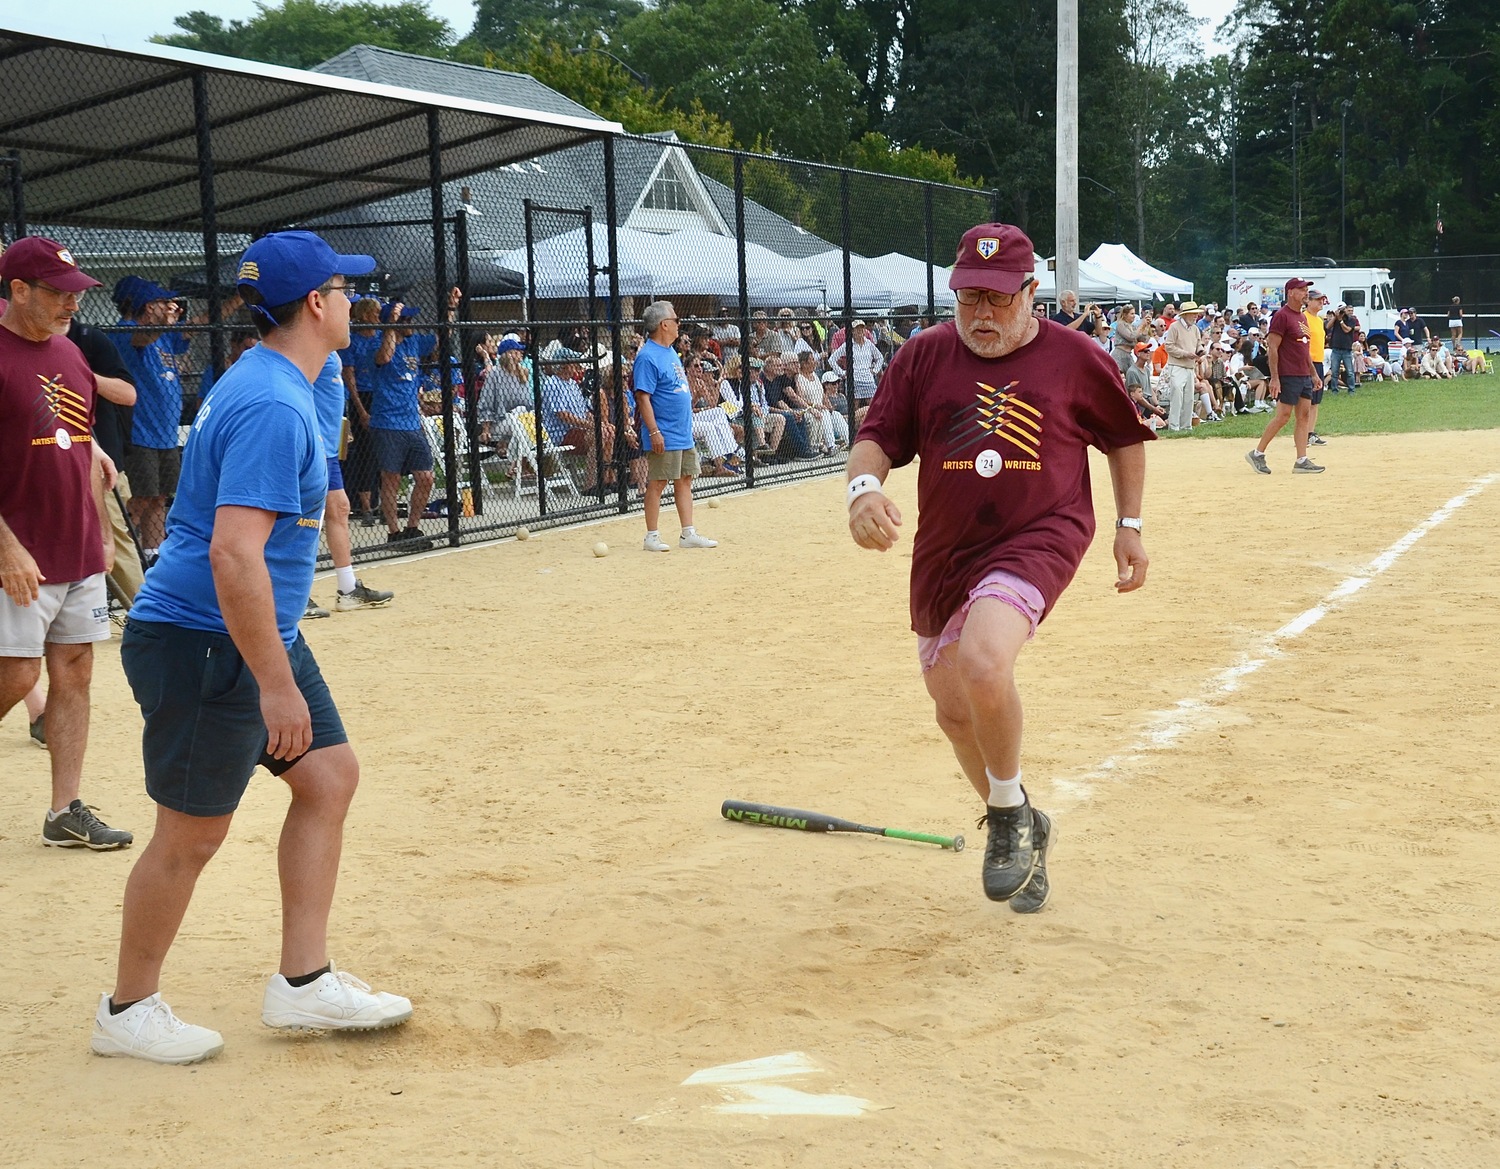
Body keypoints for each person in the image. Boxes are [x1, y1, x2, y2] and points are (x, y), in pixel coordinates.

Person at [97, 230, 412, 1066]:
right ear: (317, 303)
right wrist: (275, 683)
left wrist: (275, 660)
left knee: (329, 775)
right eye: (346, 289)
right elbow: (231, 553)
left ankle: (302, 983)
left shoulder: (287, 379)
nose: (356, 301)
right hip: (206, 639)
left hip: (250, 627)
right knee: (191, 835)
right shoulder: (273, 401)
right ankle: (127, 1006)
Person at [846, 222, 1151, 912]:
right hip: (947, 549)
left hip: (1041, 533)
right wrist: (862, 490)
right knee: (954, 712)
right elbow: (875, 440)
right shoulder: (924, 357)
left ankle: (1007, 819)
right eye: (968, 297)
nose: (980, 315)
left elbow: (1125, 440)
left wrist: (1129, 526)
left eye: (997, 299)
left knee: (985, 660)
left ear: (1031, 293)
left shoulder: (1075, 357)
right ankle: (1024, 822)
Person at [0, 236, 134, 850]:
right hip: (17, 551)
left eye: (75, 293)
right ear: (18, 289)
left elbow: (83, 453)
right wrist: (6, 548)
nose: (70, 305)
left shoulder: (73, 357)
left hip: (74, 546)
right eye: (56, 292)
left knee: (74, 671)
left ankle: (64, 810)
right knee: (14, 673)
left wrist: (100, 535)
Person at [307, 353, 393, 617]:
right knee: (307, 518)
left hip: (330, 447)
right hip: (315, 446)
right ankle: (294, 595)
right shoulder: (312, 350)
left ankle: (348, 590)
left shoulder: (330, 352)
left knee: (340, 508)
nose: (347, 314)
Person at [632, 301, 716, 552]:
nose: (679, 325)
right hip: (664, 431)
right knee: (658, 482)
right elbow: (642, 397)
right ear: (664, 324)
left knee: (685, 479)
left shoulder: (670, 352)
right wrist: (654, 431)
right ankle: (651, 536)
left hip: (681, 430)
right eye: (676, 320)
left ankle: (687, 533)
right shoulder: (647, 356)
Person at [1245, 278, 1324, 475]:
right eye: (1302, 290)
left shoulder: (1302, 317)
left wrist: (1313, 374)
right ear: (1290, 292)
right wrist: (1275, 377)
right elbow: (1273, 348)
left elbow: (1304, 349)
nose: (1306, 293)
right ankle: (1257, 453)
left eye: (1307, 290)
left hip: (1303, 373)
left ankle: (1301, 459)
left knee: (1304, 416)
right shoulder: (1282, 316)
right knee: (1283, 416)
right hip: (1288, 373)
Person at [828, 320, 885, 423]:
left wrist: (875, 370)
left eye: (862, 328)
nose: (860, 331)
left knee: (872, 406)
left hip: (868, 379)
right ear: (852, 331)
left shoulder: (869, 344)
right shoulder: (848, 344)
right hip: (855, 380)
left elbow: (880, 358)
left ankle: (872, 426)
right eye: (857, 328)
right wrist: (842, 373)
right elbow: (832, 359)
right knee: (855, 408)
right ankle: (854, 430)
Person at [1161, 301, 1205, 431]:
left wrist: (1201, 350)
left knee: (1189, 398)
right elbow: (1168, 346)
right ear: (1185, 315)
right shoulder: (1174, 327)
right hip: (1177, 365)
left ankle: (1186, 425)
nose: (1195, 316)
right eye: (1193, 314)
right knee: (1177, 395)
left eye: (1196, 314)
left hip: (1190, 367)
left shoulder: (1195, 329)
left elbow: (1198, 343)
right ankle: (1174, 426)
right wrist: (1185, 354)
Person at [1303, 290, 1329, 447]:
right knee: (1306, 400)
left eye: (1322, 300)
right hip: (1308, 363)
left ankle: (1310, 433)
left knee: (1316, 400)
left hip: (1319, 362)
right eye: (1318, 300)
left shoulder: (1319, 320)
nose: (1321, 303)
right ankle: (1302, 433)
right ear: (1308, 301)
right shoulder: (1304, 318)